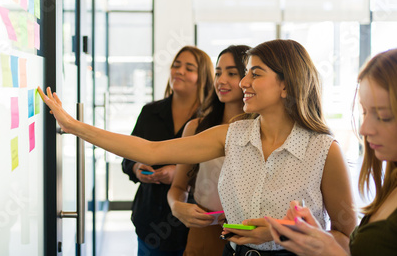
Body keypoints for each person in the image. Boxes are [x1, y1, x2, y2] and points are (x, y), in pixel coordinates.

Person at [37, 39, 357, 256]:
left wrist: (281, 236)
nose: (242, 83)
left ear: (287, 83)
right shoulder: (231, 135)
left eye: (254, 74)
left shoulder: (323, 150)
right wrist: (74, 126)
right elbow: (151, 151)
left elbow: (347, 240)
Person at [266, 48, 397, 256]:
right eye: (364, 112)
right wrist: (317, 238)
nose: (364, 129)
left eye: (383, 116)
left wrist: (330, 251)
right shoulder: (390, 185)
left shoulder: (324, 147)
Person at [121, 46, 215, 256]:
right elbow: (127, 158)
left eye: (189, 68)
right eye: (176, 65)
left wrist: (179, 173)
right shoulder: (150, 112)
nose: (179, 71)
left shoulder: (210, 121)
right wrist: (137, 168)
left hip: (189, 226)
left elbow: (216, 170)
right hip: (148, 221)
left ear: (203, 78)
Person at [167, 45, 252, 256]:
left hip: (250, 233)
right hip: (204, 230)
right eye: (218, 73)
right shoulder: (196, 128)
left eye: (231, 73)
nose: (221, 80)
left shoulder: (264, 130)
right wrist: (177, 206)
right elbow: (177, 187)